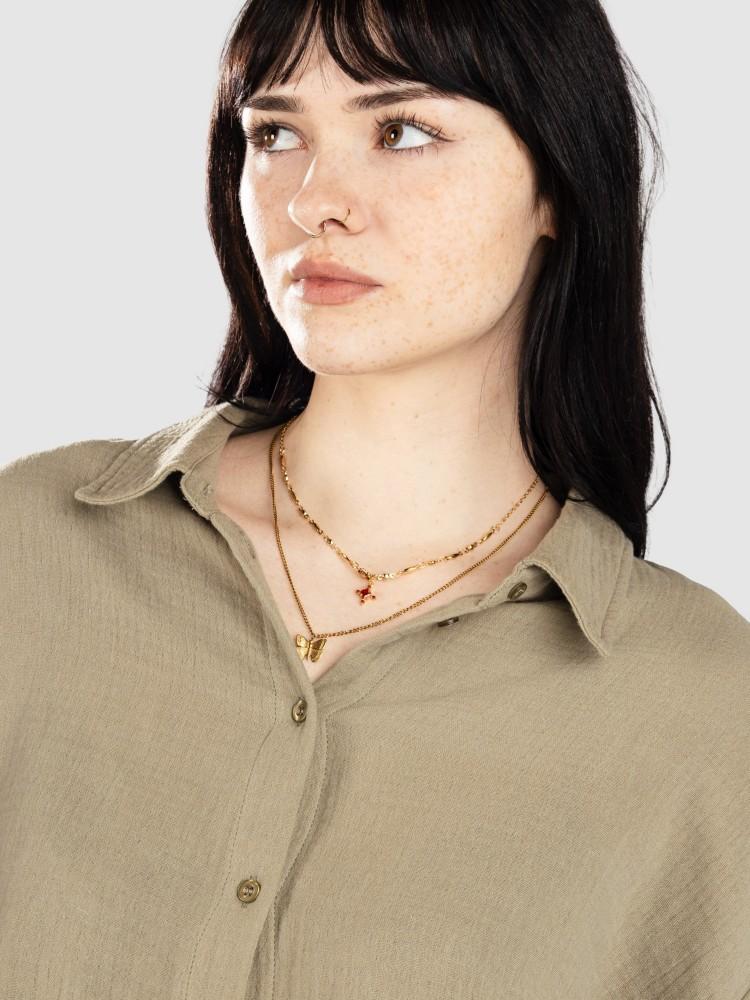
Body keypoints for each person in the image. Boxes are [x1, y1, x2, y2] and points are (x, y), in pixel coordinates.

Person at [1, 1, 748, 997]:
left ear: (557, 182)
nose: (315, 200)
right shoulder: (30, 549)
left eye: (402, 131)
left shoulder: (702, 711)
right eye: (276, 135)